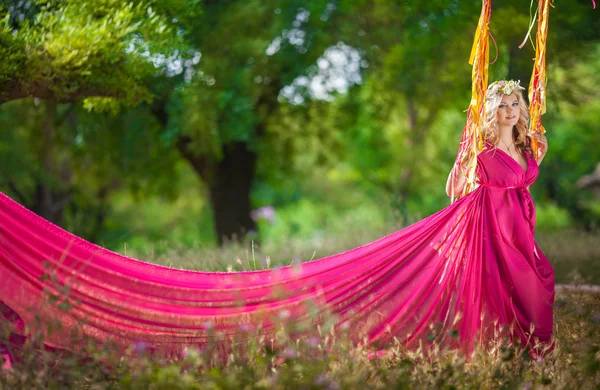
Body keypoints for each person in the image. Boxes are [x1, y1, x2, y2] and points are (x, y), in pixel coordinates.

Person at [0, 80, 554, 360]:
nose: (508, 112)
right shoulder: (485, 157)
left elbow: (523, 175)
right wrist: (495, 163)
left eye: (513, 105)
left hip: (515, 229)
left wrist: (532, 147)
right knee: (509, 289)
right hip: (494, 233)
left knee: (527, 292)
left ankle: (520, 346)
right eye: (501, 106)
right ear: (491, 113)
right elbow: (480, 185)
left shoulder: (525, 148)